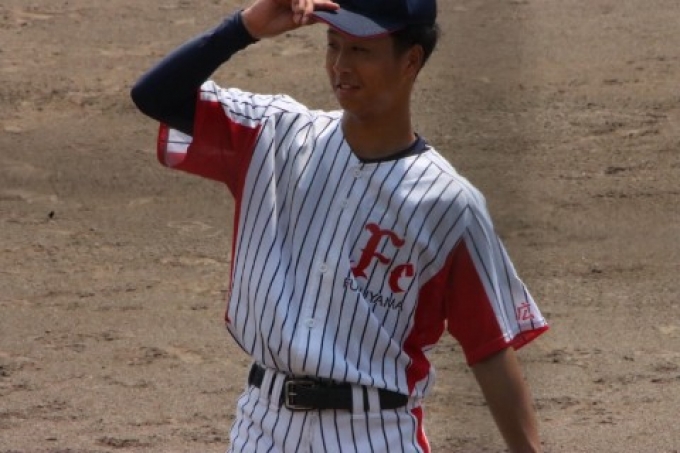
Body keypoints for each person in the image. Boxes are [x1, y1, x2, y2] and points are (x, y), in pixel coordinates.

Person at [130, 0, 549, 451]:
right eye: (333, 45)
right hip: (263, 426)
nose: (341, 66)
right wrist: (244, 27)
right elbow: (154, 96)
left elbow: (490, 348)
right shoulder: (273, 134)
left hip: (376, 433)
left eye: (361, 50)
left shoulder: (449, 203)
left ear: (410, 60)